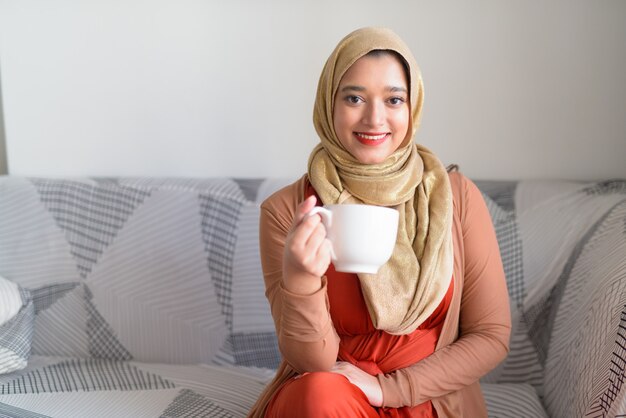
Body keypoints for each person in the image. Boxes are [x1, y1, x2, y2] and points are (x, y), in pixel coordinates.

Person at [248, 27, 511, 418]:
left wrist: (389, 389)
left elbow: (491, 336)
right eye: (354, 97)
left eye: (393, 99)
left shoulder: (455, 198)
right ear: (328, 104)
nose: (375, 118)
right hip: (332, 400)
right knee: (319, 393)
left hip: (432, 401)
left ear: (413, 106)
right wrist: (300, 279)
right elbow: (312, 363)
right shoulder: (288, 210)